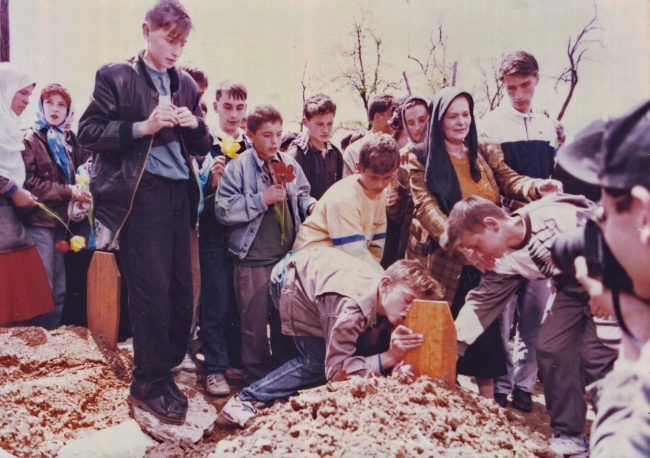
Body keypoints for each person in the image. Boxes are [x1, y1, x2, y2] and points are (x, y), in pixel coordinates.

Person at [78, 0, 212, 425]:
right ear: (146, 31)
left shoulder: (186, 83)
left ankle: (164, 368)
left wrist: (195, 127)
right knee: (150, 290)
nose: (176, 50)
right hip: (140, 196)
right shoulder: (115, 75)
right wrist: (143, 127)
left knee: (179, 290)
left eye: (182, 43)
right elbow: (88, 133)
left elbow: (204, 147)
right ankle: (147, 382)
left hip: (179, 195)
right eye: (169, 39)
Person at [405, 87, 560, 399]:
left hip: (485, 252)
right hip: (441, 257)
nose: (461, 122)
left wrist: (536, 187)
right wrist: (461, 247)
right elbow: (426, 208)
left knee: (483, 333)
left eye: (466, 114)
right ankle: (434, 396)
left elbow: (509, 179)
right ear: (439, 120)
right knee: (438, 328)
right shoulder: (419, 157)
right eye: (453, 116)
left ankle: (488, 404)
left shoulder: (483, 149)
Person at [443, 192, 618, 456]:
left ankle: (620, 433)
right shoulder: (504, 258)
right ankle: (571, 434)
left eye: (477, 246)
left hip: (611, 278)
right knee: (551, 347)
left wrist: (607, 287)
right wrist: (452, 346)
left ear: (492, 225)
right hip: (570, 288)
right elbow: (482, 301)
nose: (477, 256)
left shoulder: (554, 218)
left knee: (600, 356)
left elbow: (610, 239)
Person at [217, 247, 443, 427]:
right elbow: (336, 373)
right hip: (290, 280)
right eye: (407, 300)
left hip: (313, 270)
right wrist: (390, 357)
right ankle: (246, 400)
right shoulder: (351, 309)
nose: (409, 311)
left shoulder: (381, 291)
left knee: (358, 347)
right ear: (385, 284)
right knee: (317, 362)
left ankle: (286, 391)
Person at [554, 101, 650, 457]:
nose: (598, 229)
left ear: (644, 215)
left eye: (605, 212)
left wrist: (635, 334)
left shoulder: (635, 427)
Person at [479, 51, 559, 411]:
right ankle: (501, 382)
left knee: (534, 314)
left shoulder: (547, 126)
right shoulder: (491, 124)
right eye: (511, 87)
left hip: (542, 237)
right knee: (502, 313)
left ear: (537, 80)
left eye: (525, 85)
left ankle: (525, 385)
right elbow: (492, 180)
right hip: (507, 234)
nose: (519, 94)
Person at [216, 104, 316, 386]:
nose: (274, 141)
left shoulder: (289, 163)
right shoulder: (238, 168)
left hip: (285, 259)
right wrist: (262, 199)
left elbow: (303, 194)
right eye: (267, 135)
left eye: (278, 134)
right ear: (251, 135)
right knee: (254, 328)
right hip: (252, 261)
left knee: (285, 323)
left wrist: (312, 207)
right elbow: (223, 210)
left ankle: (283, 376)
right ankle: (257, 381)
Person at [21, 84, 91, 330]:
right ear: (41, 106)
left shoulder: (66, 142)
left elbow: (74, 178)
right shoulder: (30, 138)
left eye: (62, 105)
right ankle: (31, 348)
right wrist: (68, 191)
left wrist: (80, 192)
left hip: (61, 226)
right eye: (49, 102)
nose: (55, 108)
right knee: (43, 289)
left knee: (59, 290)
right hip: (38, 223)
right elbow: (29, 183)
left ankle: (50, 348)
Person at [199, 80, 251, 396]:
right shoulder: (204, 143)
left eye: (240, 107)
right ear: (215, 106)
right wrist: (211, 184)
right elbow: (195, 199)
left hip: (244, 236)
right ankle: (214, 368)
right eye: (227, 106)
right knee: (216, 300)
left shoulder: (252, 146)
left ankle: (234, 359)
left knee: (238, 301)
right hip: (213, 234)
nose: (233, 115)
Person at [292, 134, 399, 272]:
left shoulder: (380, 194)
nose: (380, 184)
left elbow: (376, 246)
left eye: (387, 178)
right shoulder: (345, 197)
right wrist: (381, 278)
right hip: (309, 264)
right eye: (373, 177)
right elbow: (354, 254)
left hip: (340, 263)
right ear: (358, 168)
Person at [0, 64, 55, 326]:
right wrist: (11, 189)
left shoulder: (9, 126)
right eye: (22, 93)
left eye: (29, 95)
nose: (26, 101)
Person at [383, 96, 429, 268]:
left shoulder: (449, 151)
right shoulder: (400, 157)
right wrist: (387, 201)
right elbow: (394, 214)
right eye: (410, 122)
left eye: (423, 120)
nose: (418, 127)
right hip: (410, 239)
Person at [288, 94, 343, 200]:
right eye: (319, 124)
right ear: (305, 122)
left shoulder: (336, 153)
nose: (326, 130)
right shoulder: (296, 154)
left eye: (330, 123)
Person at [342, 93, 394, 177]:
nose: (395, 121)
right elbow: (347, 187)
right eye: (391, 116)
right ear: (377, 117)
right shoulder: (354, 151)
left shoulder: (401, 148)